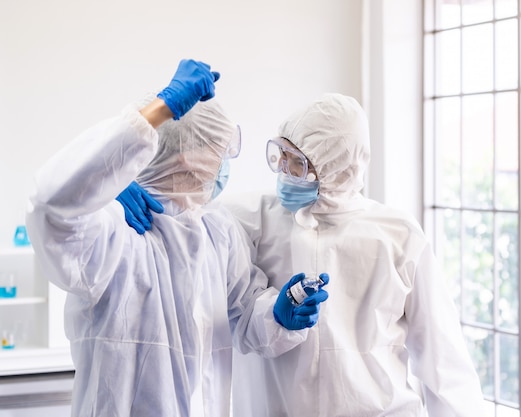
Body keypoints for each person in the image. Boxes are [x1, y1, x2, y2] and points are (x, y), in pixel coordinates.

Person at [118, 93, 485, 416]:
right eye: (281, 156)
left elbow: (444, 365)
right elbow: (176, 209)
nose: (284, 171)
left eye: (299, 163)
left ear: (337, 167)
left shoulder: (398, 236)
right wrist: (118, 188)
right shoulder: (243, 219)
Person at [24, 59, 329, 417]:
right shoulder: (114, 229)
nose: (224, 163)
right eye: (217, 150)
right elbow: (50, 206)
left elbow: (244, 311)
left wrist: (278, 315)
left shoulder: (217, 230)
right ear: (189, 157)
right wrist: (156, 113)